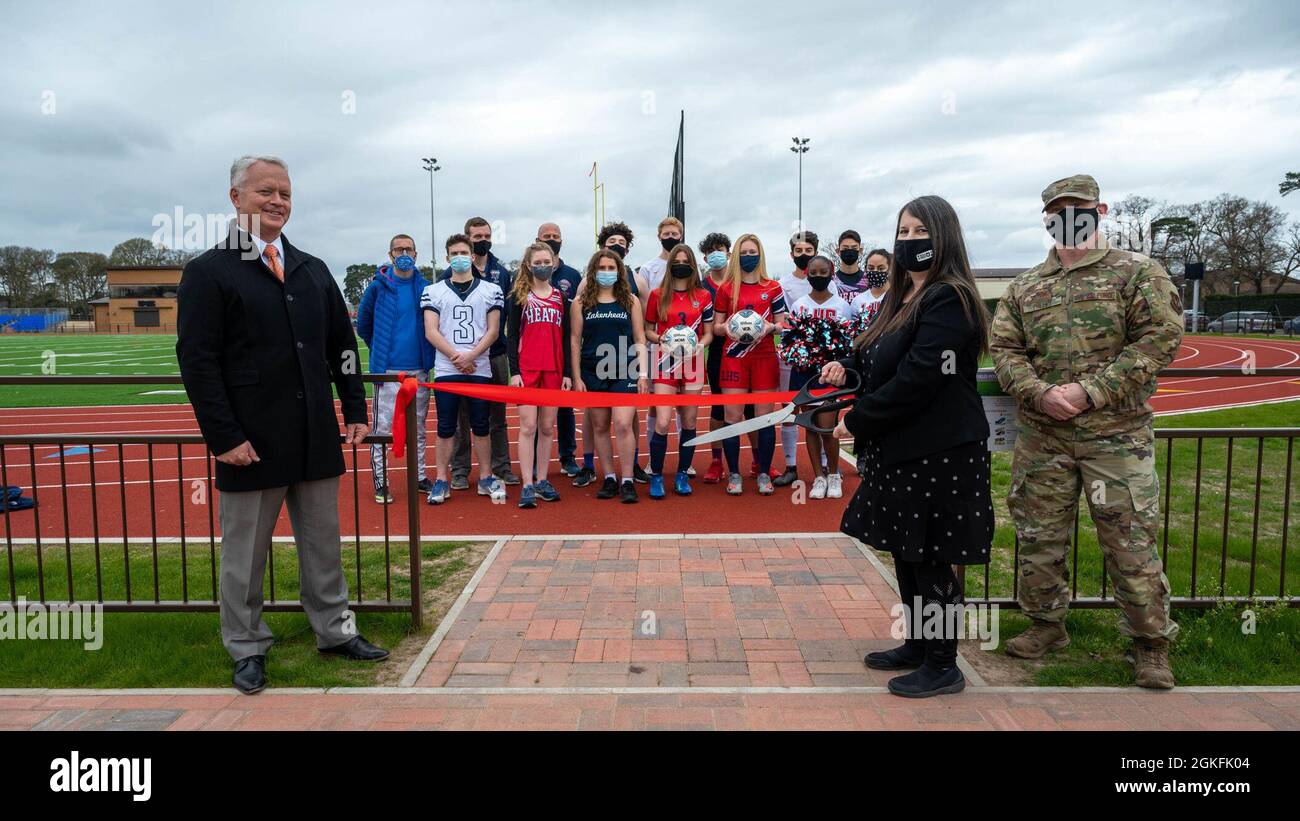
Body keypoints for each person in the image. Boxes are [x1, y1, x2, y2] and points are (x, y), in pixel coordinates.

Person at [177, 155, 387, 696]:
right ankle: (246, 647)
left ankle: (336, 632)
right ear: (236, 197)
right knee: (244, 556)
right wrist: (224, 436)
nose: (277, 201)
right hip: (250, 439)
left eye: (286, 194)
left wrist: (356, 409)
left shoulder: (312, 268)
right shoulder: (209, 271)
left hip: (314, 433)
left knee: (324, 545)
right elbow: (198, 361)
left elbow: (342, 345)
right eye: (266, 191)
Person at [990, 173, 1183, 689]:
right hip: (1044, 435)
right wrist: (1039, 393)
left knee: (1130, 540)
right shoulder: (1027, 286)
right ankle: (1046, 625)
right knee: (1039, 535)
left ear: (1100, 212)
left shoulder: (1138, 273)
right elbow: (1005, 351)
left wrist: (1090, 391)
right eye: (1058, 211)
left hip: (1114, 435)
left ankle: (1150, 644)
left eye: (1078, 208)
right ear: (1048, 219)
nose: (1068, 217)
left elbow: (1159, 339)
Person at [824, 194, 993, 698]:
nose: (910, 241)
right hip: (902, 451)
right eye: (904, 231)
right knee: (906, 550)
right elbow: (881, 362)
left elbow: (922, 377)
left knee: (932, 556)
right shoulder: (900, 299)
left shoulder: (949, 298)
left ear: (943, 237)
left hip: (940, 451)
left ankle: (943, 664)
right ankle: (918, 644)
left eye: (921, 232)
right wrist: (847, 370)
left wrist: (858, 419)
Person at [421, 234, 506, 506]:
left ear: (472, 256)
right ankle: (442, 479)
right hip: (447, 368)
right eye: (453, 253)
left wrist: (471, 355)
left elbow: (493, 331)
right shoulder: (433, 291)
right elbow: (431, 331)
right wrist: (457, 356)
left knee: (481, 425)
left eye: (463, 252)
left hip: (478, 367)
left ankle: (486, 476)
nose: (459, 257)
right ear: (447, 258)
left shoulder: (490, 289)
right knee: (446, 426)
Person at [355, 233, 436, 503]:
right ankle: (381, 481)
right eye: (399, 249)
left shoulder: (425, 287)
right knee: (383, 428)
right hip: (388, 372)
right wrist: (381, 349)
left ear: (416, 254)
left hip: (419, 372)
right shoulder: (378, 287)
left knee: (419, 428)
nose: (404, 253)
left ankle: (419, 475)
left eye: (409, 249)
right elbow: (364, 324)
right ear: (390, 255)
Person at [571, 222, 651, 488]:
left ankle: (627, 477)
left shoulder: (631, 299)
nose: (606, 272)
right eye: (601, 268)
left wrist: (643, 373)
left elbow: (640, 338)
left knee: (623, 423)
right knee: (600, 425)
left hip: (625, 368)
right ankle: (609, 477)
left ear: (619, 271)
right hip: (592, 370)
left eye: (611, 268)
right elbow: (574, 340)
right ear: (594, 271)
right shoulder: (582, 302)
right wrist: (576, 377)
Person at [446, 216, 519, 490]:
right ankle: (461, 470)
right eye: (476, 237)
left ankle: (502, 467)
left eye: (486, 235)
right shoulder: (451, 272)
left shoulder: (502, 271)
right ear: (467, 238)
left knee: (497, 417)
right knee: (461, 418)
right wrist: (461, 356)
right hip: (462, 358)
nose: (482, 240)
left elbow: (508, 317)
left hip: (495, 353)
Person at [711, 234, 787, 496]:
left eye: (753, 251)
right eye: (743, 252)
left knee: (765, 420)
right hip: (734, 359)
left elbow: (783, 324)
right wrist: (730, 328)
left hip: (764, 357)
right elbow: (716, 327)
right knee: (732, 419)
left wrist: (769, 327)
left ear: (761, 254)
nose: (748, 256)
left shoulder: (774, 287)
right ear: (736, 256)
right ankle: (734, 474)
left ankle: (764, 472)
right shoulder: (726, 289)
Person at [643, 243, 713, 498]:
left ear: (692, 265)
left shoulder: (703, 296)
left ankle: (683, 473)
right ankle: (657, 475)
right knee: (662, 421)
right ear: (671, 264)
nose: (681, 265)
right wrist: (659, 339)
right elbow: (648, 328)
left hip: (693, 364)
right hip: (665, 363)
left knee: (690, 421)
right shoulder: (657, 294)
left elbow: (707, 334)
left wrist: (700, 347)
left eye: (686, 261)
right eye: (677, 261)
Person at [508, 241, 571, 509]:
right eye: (538, 262)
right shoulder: (519, 296)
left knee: (547, 428)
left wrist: (567, 372)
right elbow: (511, 337)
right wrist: (514, 371)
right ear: (528, 265)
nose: (543, 266)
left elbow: (566, 337)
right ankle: (527, 484)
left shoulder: (560, 297)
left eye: (547, 262)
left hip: (554, 369)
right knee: (528, 426)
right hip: (528, 369)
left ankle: (543, 479)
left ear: (554, 263)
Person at [787, 255, 853, 500]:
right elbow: (791, 339)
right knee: (810, 427)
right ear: (807, 274)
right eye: (813, 272)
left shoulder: (841, 305)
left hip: (831, 375)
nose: (817, 276)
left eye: (823, 271)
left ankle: (834, 474)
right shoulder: (799, 305)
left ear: (831, 272)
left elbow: (847, 343)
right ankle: (818, 477)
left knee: (826, 427)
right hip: (805, 374)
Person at [536, 222, 583, 477]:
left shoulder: (572, 275)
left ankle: (568, 457)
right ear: (537, 239)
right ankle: (534, 461)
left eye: (556, 237)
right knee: (535, 409)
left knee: (565, 407)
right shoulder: (528, 272)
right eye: (547, 236)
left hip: (562, 349)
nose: (552, 240)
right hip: (536, 351)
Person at [773, 230, 818, 487]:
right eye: (799, 251)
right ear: (791, 254)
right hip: (789, 358)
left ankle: (823, 464)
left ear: (815, 252)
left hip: (817, 359)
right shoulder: (783, 285)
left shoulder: (827, 281)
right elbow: (781, 320)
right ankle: (791, 466)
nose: (803, 255)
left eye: (808, 251)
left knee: (820, 410)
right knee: (789, 410)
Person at [638, 216, 685, 293]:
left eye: (674, 234)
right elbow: (644, 301)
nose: (670, 237)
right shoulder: (647, 269)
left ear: (681, 237)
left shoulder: (691, 265)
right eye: (666, 234)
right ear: (659, 237)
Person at [851, 247, 891, 322]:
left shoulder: (899, 297)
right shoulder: (858, 301)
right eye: (871, 268)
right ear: (866, 269)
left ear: (890, 269)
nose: (875, 271)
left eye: (881, 268)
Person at [833, 229, 870, 304]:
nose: (850, 251)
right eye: (845, 248)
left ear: (860, 251)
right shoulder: (831, 280)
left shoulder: (869, 280)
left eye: (854, 248)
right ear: (838, 251)